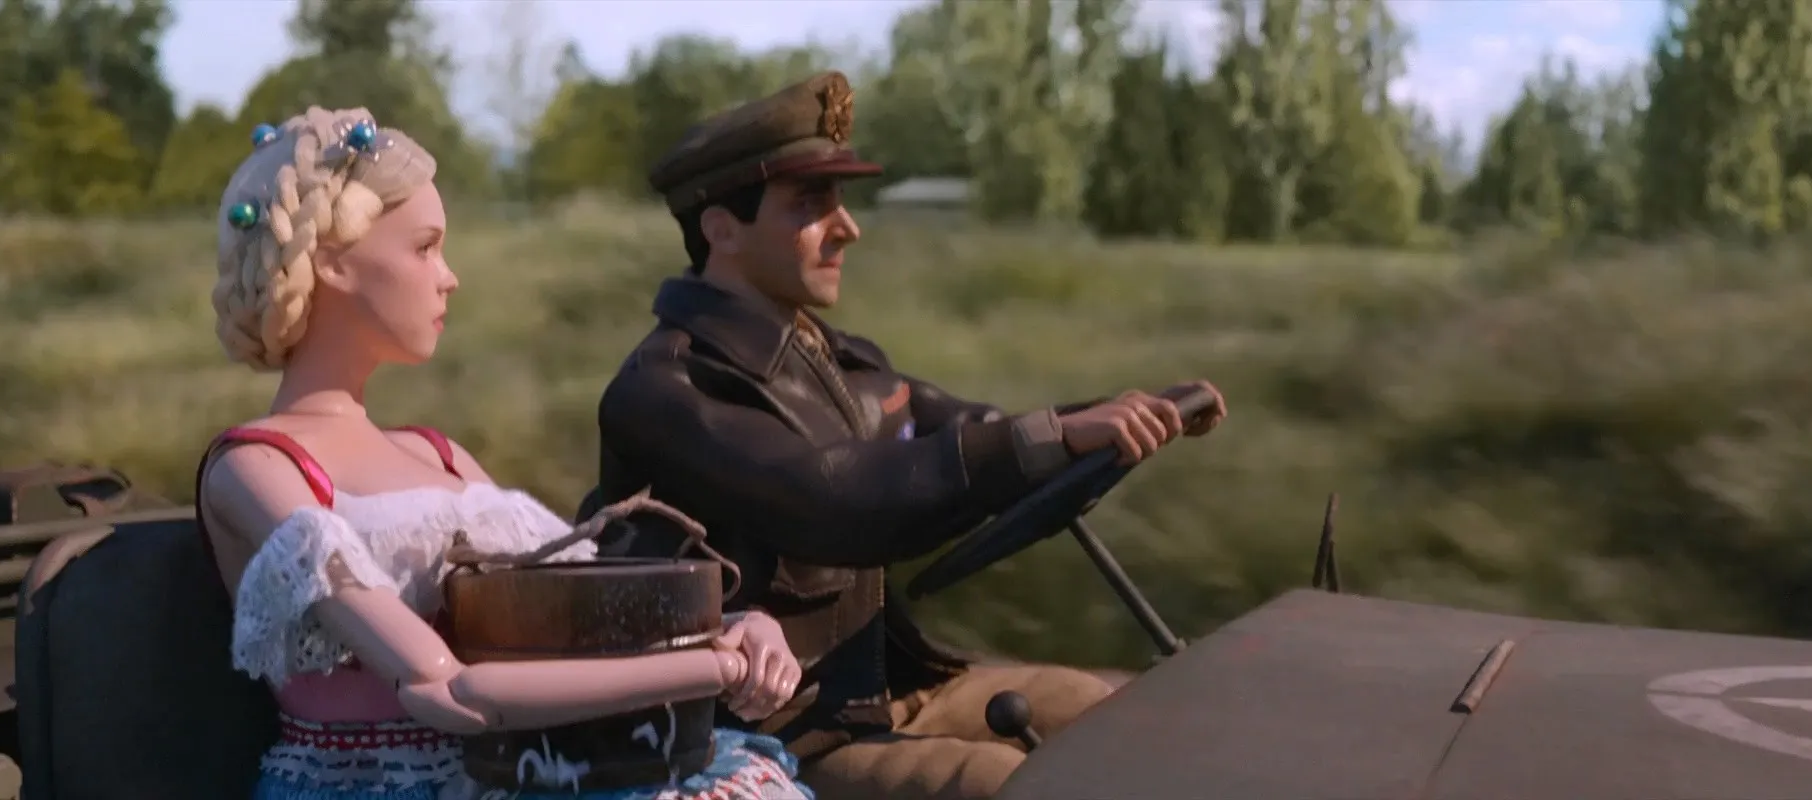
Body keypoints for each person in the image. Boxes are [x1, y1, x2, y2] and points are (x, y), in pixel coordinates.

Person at [586, 72, 1227, 800]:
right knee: (1014, 786)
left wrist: (1112, 417)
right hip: (780, 733)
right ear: (721, 229)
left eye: (840, 201)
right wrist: (1045, 439)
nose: (847, 227)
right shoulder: (667, 391)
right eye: (810, 205)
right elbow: (834, 498)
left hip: (893, 689)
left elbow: (968, 431)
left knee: (1116, 718)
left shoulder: (839, 359)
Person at [196, 105, 817, 800]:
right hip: (378, 784)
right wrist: (712, 668)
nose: (448, 277)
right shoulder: (259, 467)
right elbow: (444, 688)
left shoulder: (439, 455)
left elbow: (576, 617)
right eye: (425, 248)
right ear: (333, 264)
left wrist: (734, 625)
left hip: (513, 769)